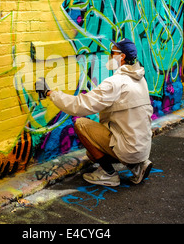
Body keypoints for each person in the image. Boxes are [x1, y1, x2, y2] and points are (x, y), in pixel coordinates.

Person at [36, 38, 153, 187]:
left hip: (129, 148)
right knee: (92, 154)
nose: (110, 56)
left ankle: (108, 174)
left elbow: (80, 105)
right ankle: (136, 166)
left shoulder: (116, 82)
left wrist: (50, 93)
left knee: (81, 124)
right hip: (142, 148)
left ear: (122, 57)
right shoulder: (139, 79)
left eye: (113, 52)